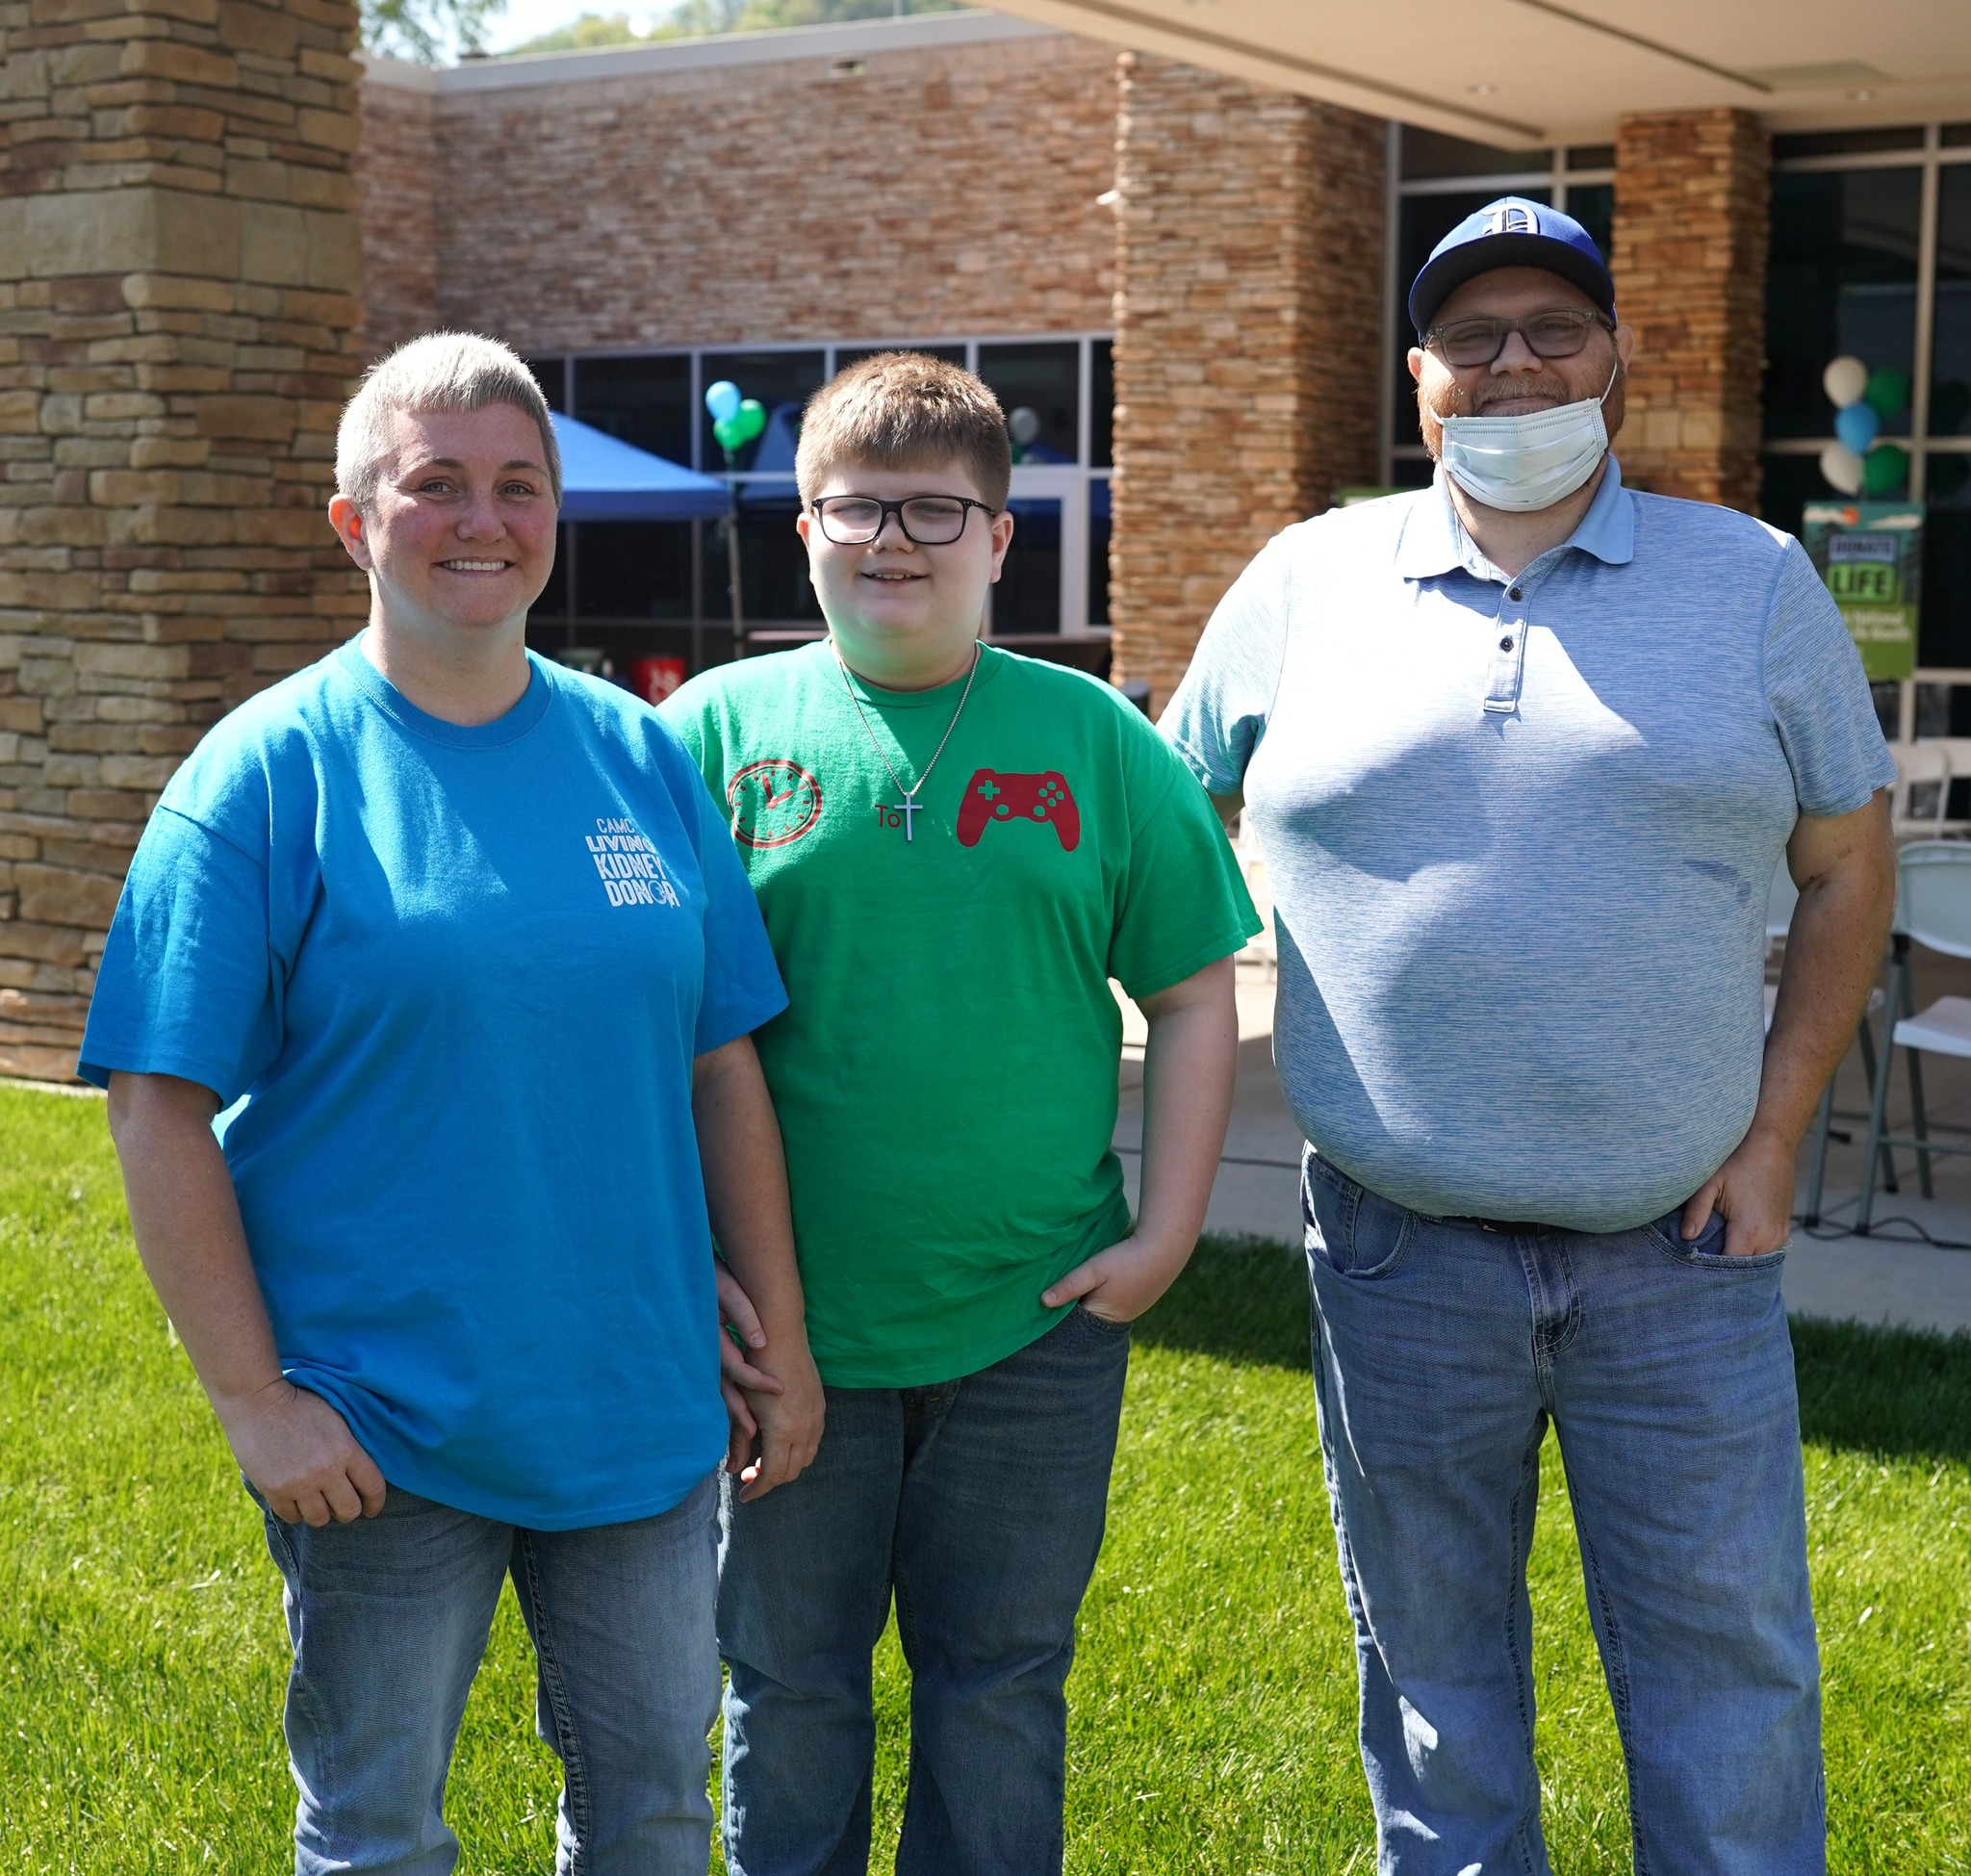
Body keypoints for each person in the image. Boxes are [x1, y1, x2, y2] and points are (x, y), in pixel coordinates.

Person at [1162, 199, 1897, 1873]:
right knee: (1434, 1680)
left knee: (1731, 1679)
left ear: (1618, 360)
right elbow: (1164, 815)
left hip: (1686, 1246)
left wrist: (1779, 1134)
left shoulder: (1755, 581)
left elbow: (1852, 857)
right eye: (1472, 335)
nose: (1517, 364)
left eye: (1554, 329)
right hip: (1397, 1251)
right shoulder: (1304, 579)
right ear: (1418, 379)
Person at [78, 331, 824, 1876]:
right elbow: (157, 1105)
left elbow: (719, 1059)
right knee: (378, 1833)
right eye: (435, 484)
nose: (480, 518)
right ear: (355, 520)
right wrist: (250, 1399)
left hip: (637, 1404)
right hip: (381, 1420)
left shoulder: (635, 752)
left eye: (515, 485)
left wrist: (784, 1341)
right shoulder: (262, 775)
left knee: (655, 1814)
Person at [661, 351, 1260, 1876]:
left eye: (939, 511)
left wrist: (1171, 1230)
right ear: (804, 528)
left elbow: (1195, 990)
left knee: (997, 1682)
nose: (894, 542)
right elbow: (641, 1023)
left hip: (1035, 1315)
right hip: (781, 1332)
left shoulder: (1095, 741)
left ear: (1004, 537)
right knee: (787, 1683)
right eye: (857, 508)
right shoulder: (714, 737)